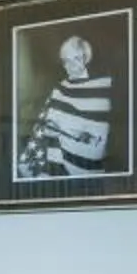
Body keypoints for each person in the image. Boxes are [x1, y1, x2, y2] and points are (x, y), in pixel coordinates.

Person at [18, 30, 113, 178]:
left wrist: (66, 129)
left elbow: (99, 132)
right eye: (65, 61)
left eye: (73, 59)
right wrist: (53, 128)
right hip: (56, 156)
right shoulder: (60, 88)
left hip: (84, 161)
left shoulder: (102, 87)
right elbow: (46, 122)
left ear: (85, 58)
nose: (68, 66)